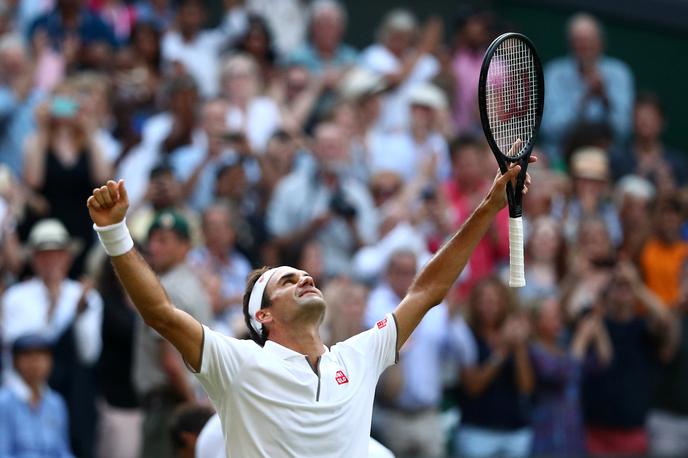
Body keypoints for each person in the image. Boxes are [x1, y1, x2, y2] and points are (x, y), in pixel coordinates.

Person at [85, 144, 533, 455]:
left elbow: (427, 290)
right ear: (262, 316)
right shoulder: (237, 364)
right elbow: (160, 314)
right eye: (286, 281)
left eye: (304, 274)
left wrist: (488, 206)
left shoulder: (358, 355)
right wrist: (114, 231)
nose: (304, 278)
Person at [1, 218, 103, 457]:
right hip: (25, 396)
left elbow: (89, 354)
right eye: (44, 255)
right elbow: (23, 349)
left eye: (58, 254)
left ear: (69, 257)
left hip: (73, 396)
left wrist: (78, 315)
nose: (51, 261)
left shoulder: (85, 295)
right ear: (33, 259)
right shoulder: (16, 297)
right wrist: (54, 311)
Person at [132, 210, 212, 458]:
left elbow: (170, 362)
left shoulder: (165, 288)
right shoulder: (194, 285)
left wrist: (194, 410)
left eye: (163, 240)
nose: (154, 247)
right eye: (152, 240)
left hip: (173, 408)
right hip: (188, 400)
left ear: (185, 246)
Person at [540, 13, 634, 164]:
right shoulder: (554, 73)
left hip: (607, 162)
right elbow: (551, 130)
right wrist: (583, 99)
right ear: (570, 44)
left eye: (589, 41)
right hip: (560, 159)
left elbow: (623, 131)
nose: (584, 47)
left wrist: (605, 98)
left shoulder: (619, 73)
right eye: (578, 41)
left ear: (601, 43)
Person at [0, 333, 73, 457]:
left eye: (42, 356)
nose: (35, 363)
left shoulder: (56, 403)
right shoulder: (4, 403)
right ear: (15, 362)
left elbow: (62, 450)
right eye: (28, 356)